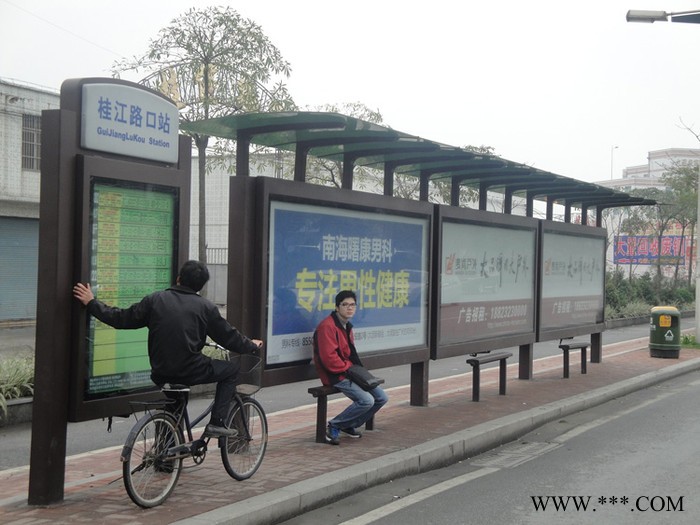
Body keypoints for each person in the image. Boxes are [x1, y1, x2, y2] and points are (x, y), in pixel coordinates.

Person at [73, 260, 263, 438]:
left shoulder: (155, 300)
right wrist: (251, 345)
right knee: (230, 370)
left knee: (174, 406)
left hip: (161, 372)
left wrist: (91, 302)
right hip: (190, 371)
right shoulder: (206, 307)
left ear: (179, 278)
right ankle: (217, 422)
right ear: (201, 286)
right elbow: (228, 337)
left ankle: (166, 460)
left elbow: (121, 318)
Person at [312, 290, 389, 445]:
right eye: (345, 305)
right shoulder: (327, 326)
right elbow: (329, 360)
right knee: (366, 401)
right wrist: (349, 368)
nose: (349, 308)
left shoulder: (346, 325)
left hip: (348, 371)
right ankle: (335, 425)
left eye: (352, 305)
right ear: (337, 307)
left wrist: (355, 370)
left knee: (381, 398)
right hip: (335, 374)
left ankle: (349, 425)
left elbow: (350, 354)